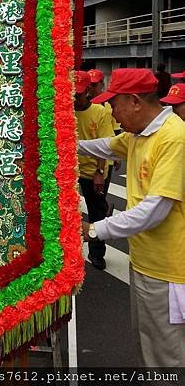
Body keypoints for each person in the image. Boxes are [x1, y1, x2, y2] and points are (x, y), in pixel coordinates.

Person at [79, 68, 185, 367]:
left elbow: (155, 210)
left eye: (115, 104)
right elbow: (104, 146)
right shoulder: (138, 134)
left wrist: (95, 229)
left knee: (167, 358)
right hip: (144, 263)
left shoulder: (173, 137)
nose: (112, 112)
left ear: (136, 101)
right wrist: (61, 146)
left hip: (168, 272)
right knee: (146, 346)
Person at [74, 70, 114, 270]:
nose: (75, 99)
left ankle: (97, 253)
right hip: (72, 171)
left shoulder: (100, 112)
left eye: (79, 95)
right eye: (72, 95)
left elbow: (105, 145)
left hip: (94, 172)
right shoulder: (65, 110)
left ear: (88, 90)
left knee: (96, 213)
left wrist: (100, 172)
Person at [88, 69, 121, 202]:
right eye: (89, 85)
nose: (91, 88)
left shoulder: (109, 104)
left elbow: (116, 131)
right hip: (87, 157)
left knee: (100, 194)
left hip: (106, 156)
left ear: (102, 83)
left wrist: (117, 155)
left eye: (94, 84)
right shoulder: (84, 103)